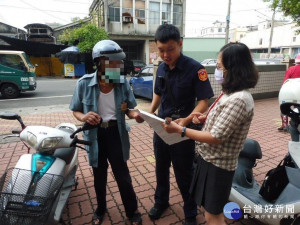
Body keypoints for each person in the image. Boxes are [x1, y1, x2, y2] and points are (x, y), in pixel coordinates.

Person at [162, 42, 259, 225]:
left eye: (219, 67)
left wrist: (181, 130)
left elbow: (216, 137)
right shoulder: (230, 93)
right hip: (209, 161)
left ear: (234, 69)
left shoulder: (239, 99)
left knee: (212, 215)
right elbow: (223, 121)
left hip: (219, 166)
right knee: (210, 210)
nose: (217, 71)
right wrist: (204, 117)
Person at [69, 40, 144, 225]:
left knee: (123, 176)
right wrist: (85, 117)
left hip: (116, 133)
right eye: (112, 65)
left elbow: (130, 109)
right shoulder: (84, 84)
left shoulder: (122, 83)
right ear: (99, 63)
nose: (117, 69)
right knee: (99, 176)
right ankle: (101, 208)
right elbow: (76, 110)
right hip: (94, 136)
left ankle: (131, 210)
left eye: (118, 64)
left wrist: (136, 115)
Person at [148, 24, 214, 225]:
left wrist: (185, 121)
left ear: (180, 44)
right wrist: (149, 113)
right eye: (161, 50)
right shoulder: (160, 68)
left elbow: (204, 101)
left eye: (170, 49)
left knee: (184, 173)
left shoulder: (196, 69)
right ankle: (161, 202)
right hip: (161, 127)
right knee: (161, 168)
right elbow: (158, 93)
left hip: (183, 131)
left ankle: (190, 212)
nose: (165, 54)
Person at [278, 53, 300, 132]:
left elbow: (285, 82)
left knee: (284, 108)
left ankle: (285, 125)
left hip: (290, 93)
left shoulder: (291, 69)